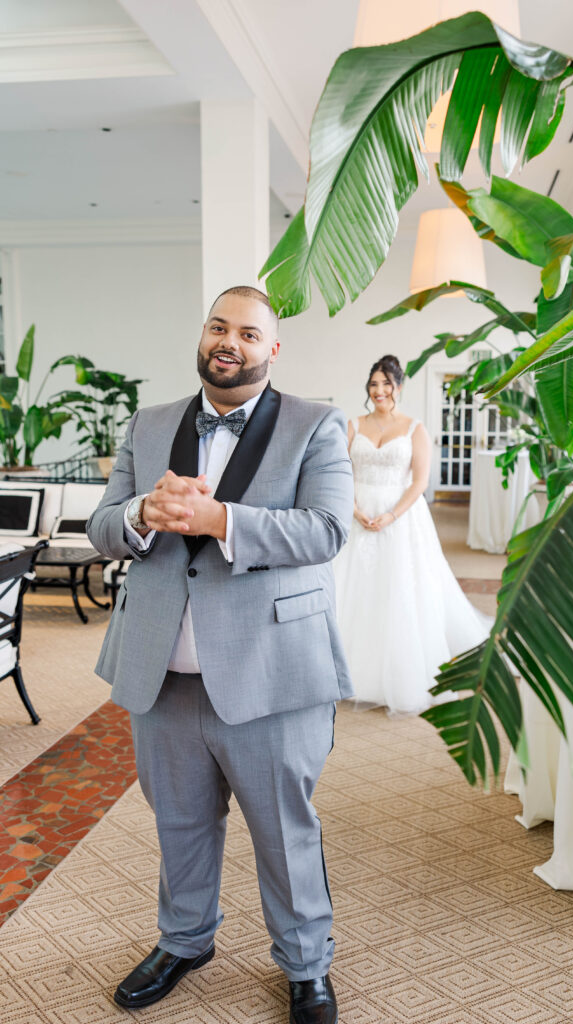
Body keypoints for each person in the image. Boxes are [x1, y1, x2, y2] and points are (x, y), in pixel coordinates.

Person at [87, 286, 353, 1024]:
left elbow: (325, 531)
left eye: (246, 332)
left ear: (273, 348)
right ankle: (185, 940)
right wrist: (142, 512)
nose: (227, 341)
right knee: (179, 824)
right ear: (202, 338)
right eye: (216, 327)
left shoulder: (317, 425)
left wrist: (221, 518)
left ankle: (305, 966)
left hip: (271, 673)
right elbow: (101, 526)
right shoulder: (148, 424)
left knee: (283, 831)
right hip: (160, 673)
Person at [334, 354, 489, 715]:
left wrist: (390, 515)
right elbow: (340, 471)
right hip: (356, 513)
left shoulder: (414, 428)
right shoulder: (352, 425)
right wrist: (355, 509)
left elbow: (419, 481)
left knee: (399, 590)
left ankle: (398, 671)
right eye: (373, 384)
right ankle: (345, 669)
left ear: (399, 387)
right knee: (351, 590)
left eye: (386, 384)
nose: (379, 391)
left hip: (400, 517)